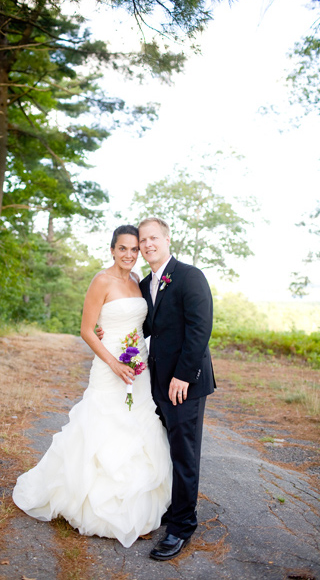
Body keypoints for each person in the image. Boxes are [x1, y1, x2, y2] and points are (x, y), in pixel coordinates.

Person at [12, 224, 172, 547]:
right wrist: (114, 363)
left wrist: (137, 361)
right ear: (112, 249)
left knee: (138, 429)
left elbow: (145, 326)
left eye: (134, 249)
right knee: (103, 427)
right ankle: (98, 509)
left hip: (138, 368)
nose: (129, 254)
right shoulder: (101, 281)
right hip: (109, 368)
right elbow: (87, 330)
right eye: (122, 248)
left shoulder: (138, 284)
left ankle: (137, 508)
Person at [136, 216, 216, 561]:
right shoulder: (144, 284)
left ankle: (182, 526)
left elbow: (200, 328)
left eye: (153, 238)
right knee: (165, 449)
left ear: (167, 240)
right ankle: (174, 509)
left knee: (185, 454)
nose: (148, 244)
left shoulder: (189, 276)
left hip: (185, 384)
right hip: (157, 383)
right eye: (143, 241)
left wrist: (183, 375)